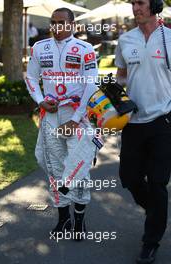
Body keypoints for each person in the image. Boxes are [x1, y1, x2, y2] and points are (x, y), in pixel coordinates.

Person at [25, 8, 98, 240]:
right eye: (53, 23)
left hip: (77, 115)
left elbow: (90, 85)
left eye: (61, 22)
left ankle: (79, 220)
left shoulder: (85, 50)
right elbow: (31, 78)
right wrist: (41, 101)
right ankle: (63, 217)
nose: (57, 27)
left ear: (72, 24)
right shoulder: (39, 48)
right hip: (51, 115)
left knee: (79, 168)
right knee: (53, 166)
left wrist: (76, 120)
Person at [115, 0, 171, 263]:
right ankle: (157, 213)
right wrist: (113, 97)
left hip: (163, 121)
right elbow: (121, 75)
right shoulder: (125, 40)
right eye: (133, 3)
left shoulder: (169, 38)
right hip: (133, 123)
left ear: (155, 6)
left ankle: (151, 241)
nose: (136, 8)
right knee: (129, 178)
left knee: (158, 182)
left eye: (141, 3)